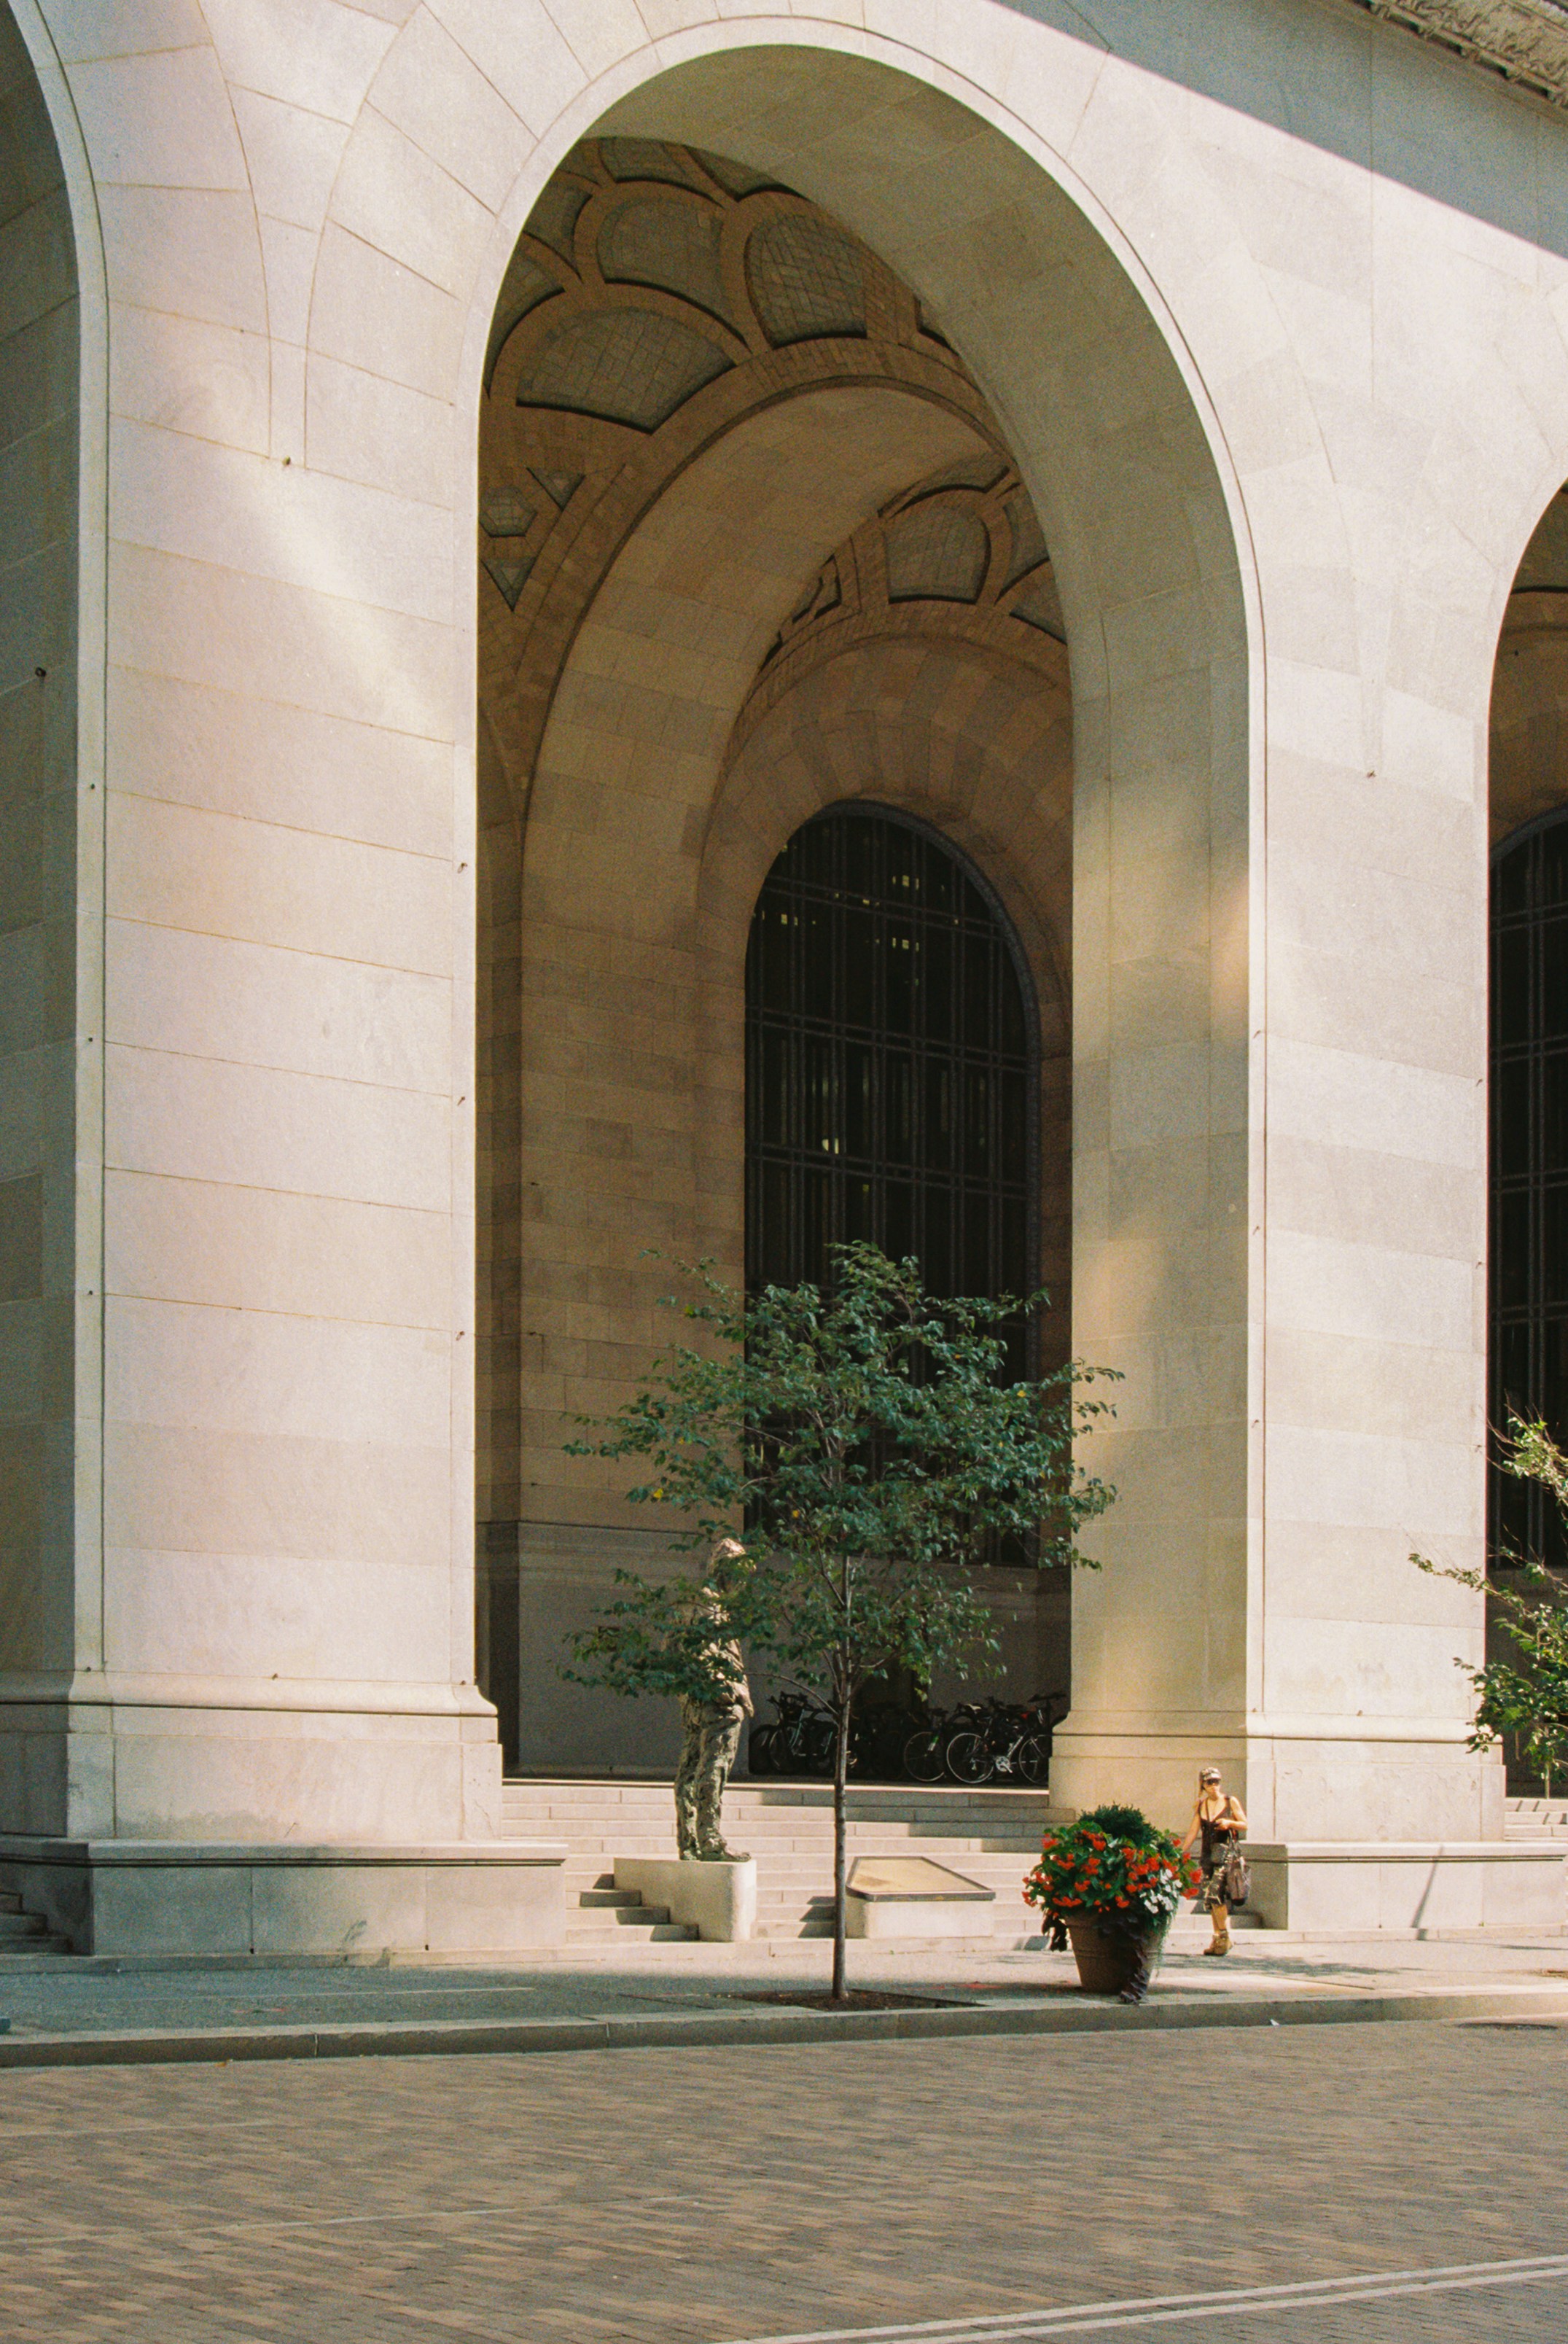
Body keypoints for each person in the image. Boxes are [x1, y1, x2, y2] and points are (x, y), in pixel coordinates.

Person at [673, 1538, 753, 1862]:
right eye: (740, 1574)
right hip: (715, 1702)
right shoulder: (709, 1605)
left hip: (697, 1700)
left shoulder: (699, 1601)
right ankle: (709, 1839)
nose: (743, 1582)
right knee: (714, 1766)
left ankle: (690, 1840)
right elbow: (702, 1655)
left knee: (691, 1768)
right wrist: (729, 1693)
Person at [1179, 1765, 1248, 1955]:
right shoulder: (1201, 1805)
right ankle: (1218, 1938)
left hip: (1225, 1856)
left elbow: (1244, 1824)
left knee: (1215, 1895)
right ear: (1203, 1785)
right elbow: (1194, 1831)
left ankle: (1223, 1937)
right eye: (1209, 1782)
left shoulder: (1230, 1801)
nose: (1214, 1786)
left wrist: (1230, 1823)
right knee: (1210, 1900)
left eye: (1216, 1782)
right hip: (1208, 1856)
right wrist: (1181, 1851)